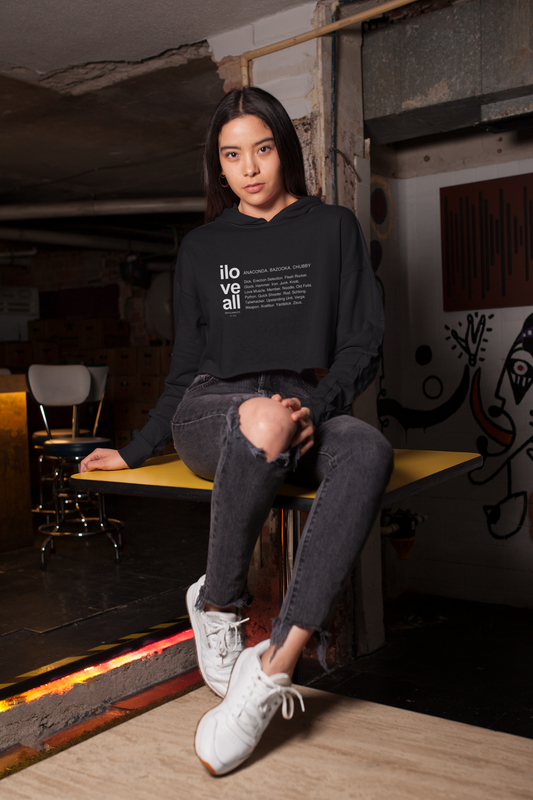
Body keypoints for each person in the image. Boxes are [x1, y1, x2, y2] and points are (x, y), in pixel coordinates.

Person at [80, 86, 393, 776]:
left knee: (368, 448)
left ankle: (273, 664)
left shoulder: (333, 229)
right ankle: (219, 602)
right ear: (217, 167)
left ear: (283, 150)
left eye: (261, 148)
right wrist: (134, 448)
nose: (248, 168)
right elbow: (184, 366)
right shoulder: (200, 248)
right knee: (259, 415)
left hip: (300, 404)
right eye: (231, 155)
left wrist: (322, 402)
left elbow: (363, 341)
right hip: (212, 410)